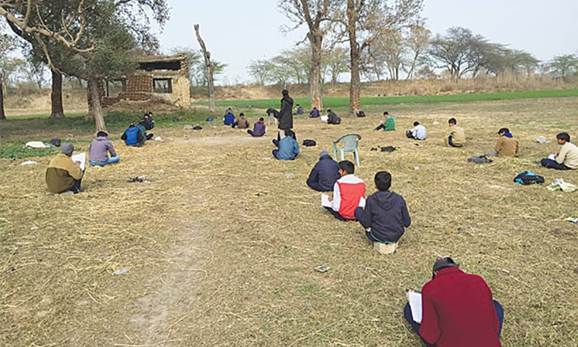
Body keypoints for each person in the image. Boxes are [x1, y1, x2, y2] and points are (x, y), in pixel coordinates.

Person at [404, 257, 504, 347]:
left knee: (409, 309)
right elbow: (494, 326)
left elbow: (430, 336)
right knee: (495, 306)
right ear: (457, 267)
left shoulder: (430, 288)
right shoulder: (478, 280)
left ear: (435, 273)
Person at [355, 171, 411, 246]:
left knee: (358, 211)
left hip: (377, 236)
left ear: (375, 184)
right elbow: (407, 223)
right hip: (396, 236)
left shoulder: (371, 200)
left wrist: (359, 209)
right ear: (390, 183)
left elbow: (366, 223)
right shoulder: (399, 199)